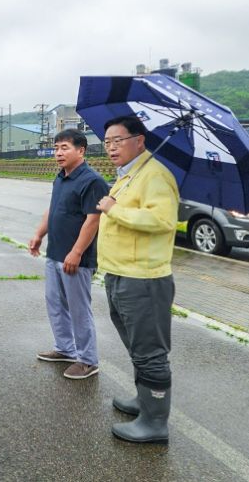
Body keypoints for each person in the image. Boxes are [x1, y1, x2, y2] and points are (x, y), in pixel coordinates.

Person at [96, 115, 179, 444]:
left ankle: (155, 421)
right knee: (136, 345)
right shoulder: (130, 175)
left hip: (143, 279)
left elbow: (162, 219)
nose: (111, 147)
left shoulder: (155, 175)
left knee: (149, 351)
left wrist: (113, 209)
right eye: (107, 142)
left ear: (139, 141)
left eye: (118, 140)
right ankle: (143, 400)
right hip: (120, 273)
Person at [29, 129, 109, 379]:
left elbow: (93, 220)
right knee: (55, 303)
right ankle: (64, 348)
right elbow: (53, 208)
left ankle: (87, 360)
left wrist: (76, 252)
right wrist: (39, 234)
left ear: (81, 150)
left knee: (78, 309)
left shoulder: (92, 181)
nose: (58, 153)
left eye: (64, 147)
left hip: (77, 259)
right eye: (56, 148)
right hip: (55, 253)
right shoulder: (61, 177)